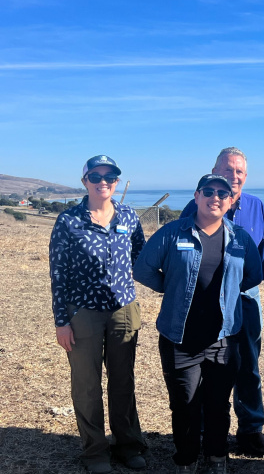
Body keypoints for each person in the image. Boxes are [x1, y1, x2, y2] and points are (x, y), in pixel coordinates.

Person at [134, 174, 263, 474]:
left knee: (218, 406)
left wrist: (228, 290)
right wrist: (172, 285)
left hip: (223, 339)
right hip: (180, 338)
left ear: (231, 201)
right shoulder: (172, 232)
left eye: (223, 193)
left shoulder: (240, 238)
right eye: (209, 191)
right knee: (185, 406)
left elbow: (253, 275)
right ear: (197, 196)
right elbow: (143, 268)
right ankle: (187, 460)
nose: (215, 197)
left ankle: (217, 457)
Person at [49, 155, 148, 474]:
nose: (103, 181)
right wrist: (61, 322)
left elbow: (141, 258)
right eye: (96, 176)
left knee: (123, 382)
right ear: (85, 182)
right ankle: (95, 452)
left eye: (110, 176)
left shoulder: (129, 216)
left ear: (117, 181)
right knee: (87, 385)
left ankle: (128, 445)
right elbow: (58, 273)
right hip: (83, 313)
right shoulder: (68, 221)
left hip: (123, 310)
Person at [180, 147, 264, 456]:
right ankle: (205, 427)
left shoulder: (257, 207)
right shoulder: (193, 207)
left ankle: (250, 429)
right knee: (208, 363)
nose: (232, 176)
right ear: (214, 171)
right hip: (206, 299)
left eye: (238, 171)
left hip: (246, 297)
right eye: (227, 169)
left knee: (248, 365)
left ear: (245, 177)